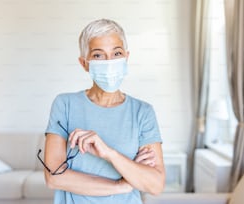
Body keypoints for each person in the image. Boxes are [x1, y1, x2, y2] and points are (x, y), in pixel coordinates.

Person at [42, 18, 165, 204]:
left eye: (117, 53)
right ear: (84, 63)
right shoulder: (65, 104)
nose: (110, 62)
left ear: (126, 58)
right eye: (99, 55)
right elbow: (54, 177)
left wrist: (109, 153)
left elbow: (155, 184)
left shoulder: (143, 112)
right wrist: (123, 184)